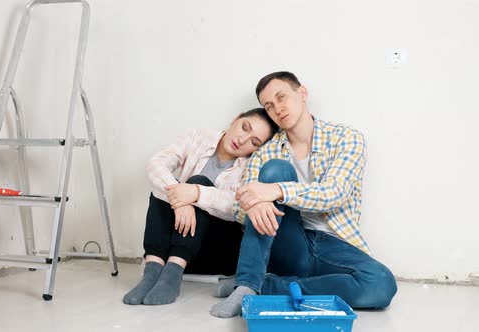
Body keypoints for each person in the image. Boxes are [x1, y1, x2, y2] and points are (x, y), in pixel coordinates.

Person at [210, 71, 398, 318]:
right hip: (287, 242)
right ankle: (247, 284)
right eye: (269, 106)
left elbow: (335, 192)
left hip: (333, 243)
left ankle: (266, 285)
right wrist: (255, 203)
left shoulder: (346, 138)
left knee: (382, 283)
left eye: (281, 97)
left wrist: (274, 190)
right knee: (277, 169)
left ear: (302, 93)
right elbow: (239, 207)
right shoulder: (266, 152)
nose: (277, 108)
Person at [123, 108, 278, 305]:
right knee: (162, 186)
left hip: (215, 253)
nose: (242, 140)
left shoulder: (251, 165)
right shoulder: (200, 137)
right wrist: (180, 197)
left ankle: (172, 275)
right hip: (176, 245)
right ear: (236, 118)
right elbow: (156, 163)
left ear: (257, 149)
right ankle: (152, 271)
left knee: (199, 182)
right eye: (244, 128)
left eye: (254, 142)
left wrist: (196, 193)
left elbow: (237, 208)